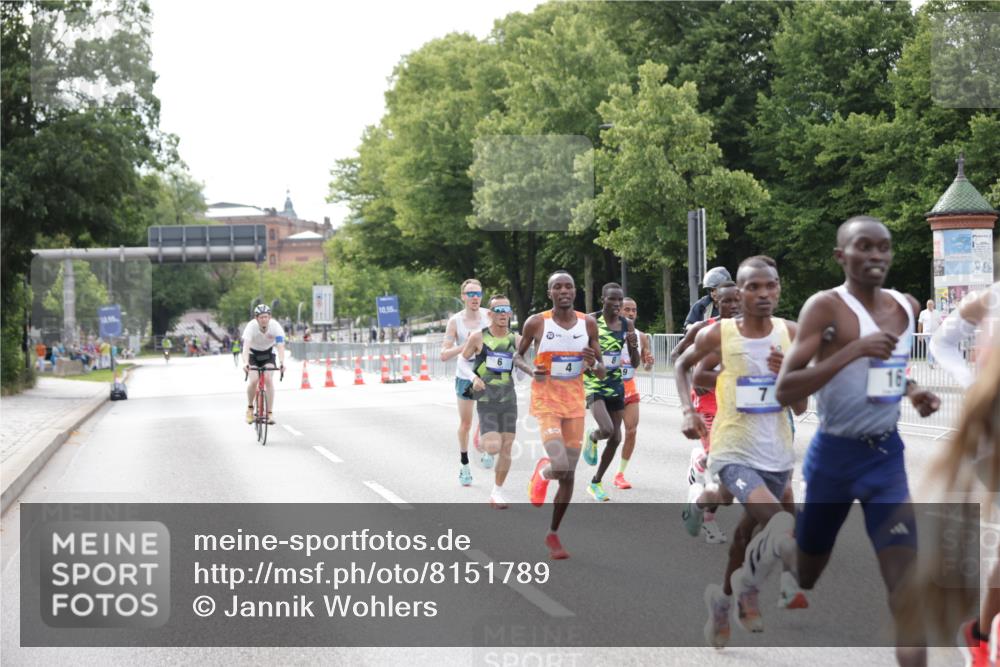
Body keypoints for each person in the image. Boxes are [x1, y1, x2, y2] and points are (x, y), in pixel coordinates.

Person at [775, 216, 941, 667]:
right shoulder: (825, 308)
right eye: (863, 246)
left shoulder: (906, 306)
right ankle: (787, 549)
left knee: (905, 589)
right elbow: (786, 389)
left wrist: (913, 391)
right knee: (807, 575)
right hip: (833, 458)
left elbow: (889, 371)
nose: (875, 256)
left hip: (885, 458)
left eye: (883, 247)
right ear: (840, 255)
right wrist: (852, 350)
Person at [675, 256, 809, 649]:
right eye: (754, 287)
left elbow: (801, 406)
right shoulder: (719, 334)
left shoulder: (791, 333)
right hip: (732, 447)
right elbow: (683, 365)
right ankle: (747, 587)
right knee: (782, 526)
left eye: (771, 285)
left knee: (745, 535)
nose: (763, 294)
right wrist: (688, 411)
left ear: (779, 289)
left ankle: (722, 601)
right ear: (737, 293)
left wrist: (787, 375)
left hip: (777, 451)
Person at [926, 282, 999, 666]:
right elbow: (941, 342)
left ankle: (981, 637)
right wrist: (972, 385)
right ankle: (982, 641)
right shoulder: (991, 297)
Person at [516, 270, 603, 560]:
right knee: (561, 464)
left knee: (568, 475)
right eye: (558, 287)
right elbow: (517, 356)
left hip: (575, 404)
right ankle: (543, 472)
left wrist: (594, 363)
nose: (564, 291)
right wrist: (532, 370)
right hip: (546, 403)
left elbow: (601, 370)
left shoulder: (588, 323)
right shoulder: (537, 322)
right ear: (550, 293)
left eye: (569, 286)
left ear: (575, 292)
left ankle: (553, 533)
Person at [670, 280, 741, 544]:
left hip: (738, 406)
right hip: (708, 404)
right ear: (716, 303)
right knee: (723, 466)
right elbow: (677, 357)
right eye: (726, 301)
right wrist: (694, 380)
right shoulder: (703, 329)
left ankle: (700, 461)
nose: (733, 306)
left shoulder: (752, 332)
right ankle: (708, 519)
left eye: (737, 300)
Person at [461, 295, 520, 509]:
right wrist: (473, 378)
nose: (503, 313)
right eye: (498, 309)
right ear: (490, 314)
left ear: (510, 313)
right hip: (486, 398)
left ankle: (497, 492)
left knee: (507, 447)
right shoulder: (478, 337)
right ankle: (483, 438)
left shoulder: (517, 339)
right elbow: (462, 362)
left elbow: (521, 370)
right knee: (493, 447)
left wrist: (525, 371)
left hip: (509, 398)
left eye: (506, 309)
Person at [581, 283, 639, 501]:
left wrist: (633, 346)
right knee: (606, 429)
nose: (617, 303)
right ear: (602, 299)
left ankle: (595, 482)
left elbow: (635, 363)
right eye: (612, 299)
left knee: (616, 438)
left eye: (620, 300)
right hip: (594, 382)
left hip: (616, 383)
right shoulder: (590, 321)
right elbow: (581, 351)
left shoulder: (626, 324)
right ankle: (593, 435)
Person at [441, 279, 491, 485]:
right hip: (465, 375)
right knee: (466, 423)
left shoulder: (489, 316)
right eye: (470, 294)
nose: (475, 297)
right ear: (463, 297)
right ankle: (464, 465)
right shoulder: (455, 321)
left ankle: (486, 444)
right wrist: (468, 345)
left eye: (478, 294)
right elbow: (444, 354)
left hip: (487, 373)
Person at [615, 297, 655, 490]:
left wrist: (649, 363)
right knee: (611, 432)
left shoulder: (641, 336)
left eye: (634, 310)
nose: (631, 313)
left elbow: (645, 367)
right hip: (610, 388)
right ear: (619, 311)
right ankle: (594, 436)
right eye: (627, 309)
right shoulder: (609, 333)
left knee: (631, 431)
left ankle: (620, 474)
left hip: (630, 388)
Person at [242, 304, 287, 425]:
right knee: (253, 380)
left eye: (266, 317)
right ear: (256, 318)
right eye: (261, 317)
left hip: (268, 354)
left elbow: (280, 346)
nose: (264, 319)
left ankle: (269, 413)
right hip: (253, 355)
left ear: (270, 317)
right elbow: (246, 347)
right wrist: (245, 363)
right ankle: (250, 409)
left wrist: (282, 362)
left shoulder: (275, 326)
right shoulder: (251, 327)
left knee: (268, 378)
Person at [684, 266, 732, 331]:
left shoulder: (737, 304)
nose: (713, 293)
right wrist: (697, 327)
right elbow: (688, 325)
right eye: (711, 290)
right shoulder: (702, 305)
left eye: (716, 289)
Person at [918, 299, 942, 367]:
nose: (929, 305)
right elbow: (920, 324)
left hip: (935, 334)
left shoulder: (937, 312)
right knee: (929, 347)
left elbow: (940, 323)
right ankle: (930, 362)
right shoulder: (923, 313)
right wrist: (920, 334)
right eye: (928, 304)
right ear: (926, 305)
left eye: (931, 304)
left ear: (933, 305)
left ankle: (933, 361)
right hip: (926, 334)